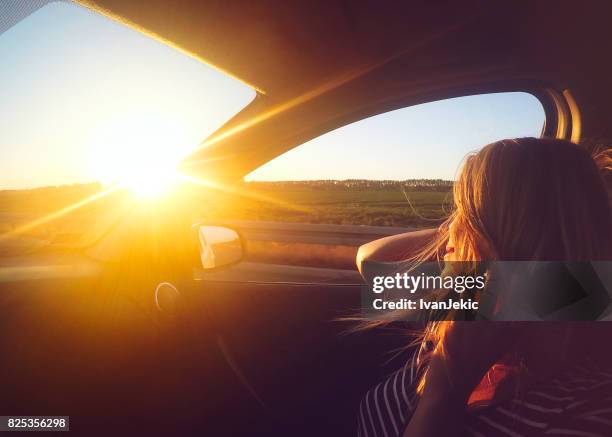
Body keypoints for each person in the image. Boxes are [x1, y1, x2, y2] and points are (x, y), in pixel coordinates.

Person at [356, 138, 612, 437]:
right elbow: (372, 261)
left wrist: (446, 390)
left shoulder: (587, 411)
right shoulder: (467, 310)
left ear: (521, 242)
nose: (448, 228)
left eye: (467, 215)